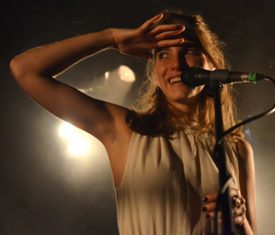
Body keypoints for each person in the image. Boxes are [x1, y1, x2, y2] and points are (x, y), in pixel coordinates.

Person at [10, 10, 256, 235]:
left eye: (189, 51)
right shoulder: (125, 129)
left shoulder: (237, 149)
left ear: (212, 63)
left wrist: (239, 221)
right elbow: (24, 70)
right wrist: (111, 38)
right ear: (154, 68)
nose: (176, 65)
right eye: (163, 54)